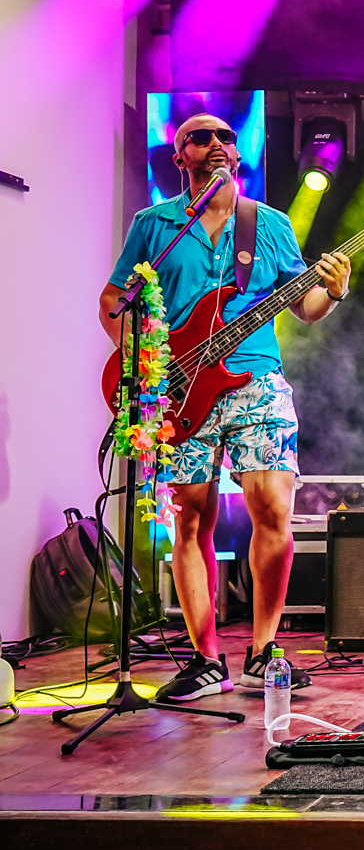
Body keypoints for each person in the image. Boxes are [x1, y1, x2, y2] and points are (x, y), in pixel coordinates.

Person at [98, 114, 351, 702]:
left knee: (273, 507)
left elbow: (305, 305)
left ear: (237, 156)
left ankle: (264, 652)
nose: (216, 143)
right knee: (189, 519)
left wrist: (334, 290)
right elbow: (114, 298)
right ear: (180, 156)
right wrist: (144, 363)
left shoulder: (268, 224)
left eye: (226, 137)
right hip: (177, 390)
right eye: (200, 137)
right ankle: (206, 660)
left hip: (255, 378)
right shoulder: (154, 225)